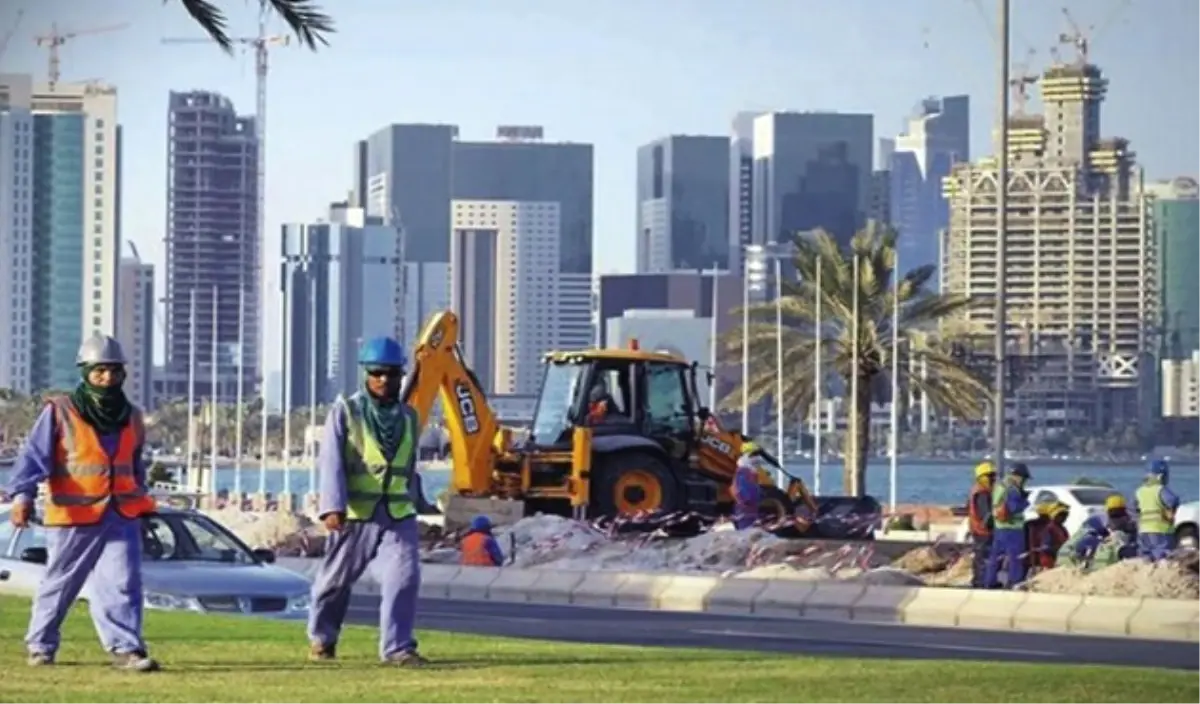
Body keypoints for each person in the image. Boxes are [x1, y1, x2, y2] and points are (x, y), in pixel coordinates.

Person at [5, 335, 160, 671]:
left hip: (121, 512)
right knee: (62, 582)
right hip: (74, 513)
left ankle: (126, 648)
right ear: (86, 372)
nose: (107, 378)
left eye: (114, 371)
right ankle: (41, 644)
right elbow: (33, 458)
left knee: (123, 580)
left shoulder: (132, 416)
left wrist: (144, 505)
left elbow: (135, 467)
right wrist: (22, 496)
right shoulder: (59, 411)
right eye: (100, 371)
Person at [306, 337, 429, 666]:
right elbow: (330, 461)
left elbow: (408, 465)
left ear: (401, 375)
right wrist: (332, 506)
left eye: (391, 373)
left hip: (398, 512)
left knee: (405, 576)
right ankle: (322, 637)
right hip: (355, 514)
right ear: (365, 373)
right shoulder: (346, 412)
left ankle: (398, 647)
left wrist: (423, 502)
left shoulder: (409, 417)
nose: (384, 380)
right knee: (333, 583)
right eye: (377, 373)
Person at [984, 463, 1032, 589]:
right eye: (1023, 478)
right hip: (1012, 528)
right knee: (1016, 557)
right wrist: (1026, 501)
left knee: (996, 557)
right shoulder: (1012, 489)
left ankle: (990, 581)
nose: (1024, 482)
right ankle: (1015, 581)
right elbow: (1014, 507)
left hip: (999, 527)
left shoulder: (1000, 486)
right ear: (1017, 476)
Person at [1058, 494, 1137, 569]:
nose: (1116, 519)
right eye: (1114, 515)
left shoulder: (1100, 523)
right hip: (1072, 560)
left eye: (1119, 514)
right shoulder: (1099, 525)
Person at [1134, 458, 1180, 561]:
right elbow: (1172, 500)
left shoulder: (1139, 491)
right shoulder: (1160, 489)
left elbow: (1134, 508)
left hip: (1143, 530)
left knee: (1146, 556)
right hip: (1160, 530)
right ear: (1161, 476)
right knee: (1163, 555)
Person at [965, 461, 997, 588]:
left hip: (979, 529)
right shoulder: (982, 493)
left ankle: (981, 580)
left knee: (981, 556)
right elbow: (986, 515)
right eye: (991, 477)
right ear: (983, 477)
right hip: (982, 531)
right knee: (983, 557)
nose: (993, 480)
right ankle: (981, 582)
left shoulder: (979, 491)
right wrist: (993, 524)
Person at [1026, 502, 1070, 572]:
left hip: (1060, 558)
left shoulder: (1062, 529)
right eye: (1061, 516)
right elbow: (1045, 547)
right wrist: (1059, 549)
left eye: (1065, 516)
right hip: (1049, 560)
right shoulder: (1049, 529)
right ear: (1055, 516)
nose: (1064, 518)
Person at [731, 441, 763, 529]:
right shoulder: (743, 472)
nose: (757, 457)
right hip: (745, 510)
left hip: (751, 510)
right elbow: (745, 492)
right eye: (754, 454)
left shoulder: (751, 471)